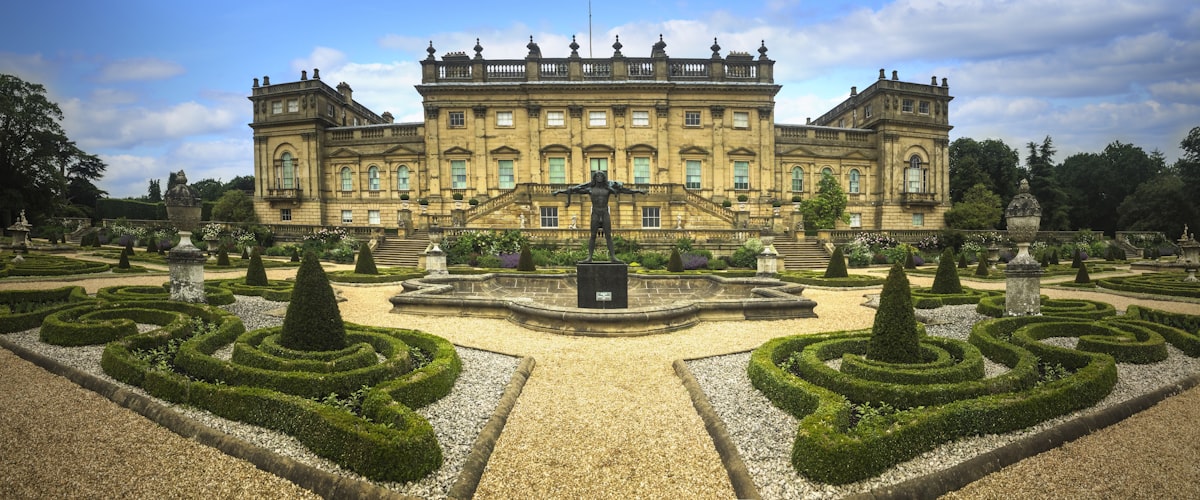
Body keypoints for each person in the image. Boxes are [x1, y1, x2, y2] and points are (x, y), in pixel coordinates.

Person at [554, 170, 646, 262]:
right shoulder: (589, 189)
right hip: (595, 212)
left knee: (608, 235)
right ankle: (589, 257)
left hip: (605, 212)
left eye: (601, 176)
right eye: (597, 176)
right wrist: (559, 191)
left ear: (603, 177)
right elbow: (573, 191)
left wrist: (638, 191)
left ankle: (613, 257)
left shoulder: (608, 189)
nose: (599, 177)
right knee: (593, 235)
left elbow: (625, 190)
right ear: (594, 178)